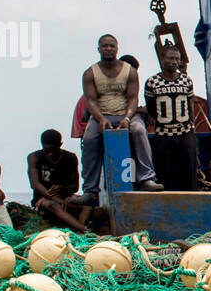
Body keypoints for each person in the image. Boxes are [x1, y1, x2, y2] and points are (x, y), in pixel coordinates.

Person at [69, 33, 163, 205]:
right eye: (105, 46)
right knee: (90, 138)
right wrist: (100, 118)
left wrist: (127, 118)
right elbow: (90, 100)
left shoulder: (130, 71)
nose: (108, 49)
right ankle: (90, 190)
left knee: (139, 130)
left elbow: (133, 98)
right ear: (99, 49)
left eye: (112, 46)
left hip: (126, 114)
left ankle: (146, 179)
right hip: (101, 115)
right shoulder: (90, 73)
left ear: (117, 48)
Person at [144, 45, 200, 191]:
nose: (174, 62)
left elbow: (190, 106)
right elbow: (151, 108)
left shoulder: (186, 81)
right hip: (163, 135)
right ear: (162, 59)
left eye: (177, 59)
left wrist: (192, 129)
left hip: (185, 132)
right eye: (170, 58)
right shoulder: (152, 82)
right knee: (163, 172)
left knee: (189, 172)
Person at [27, 129, 88, 232]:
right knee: (52, 205)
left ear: (60, 145)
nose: (50, 154)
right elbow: (35, 184)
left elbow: (75, 186)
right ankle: (84, 229)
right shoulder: (34, 157)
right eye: (47, 151)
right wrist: (54, 197)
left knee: (89, 202)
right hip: (43, 199)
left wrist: (62, 189)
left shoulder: (71, 158)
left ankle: (78, 227)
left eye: (53, 151)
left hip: (65, 196)